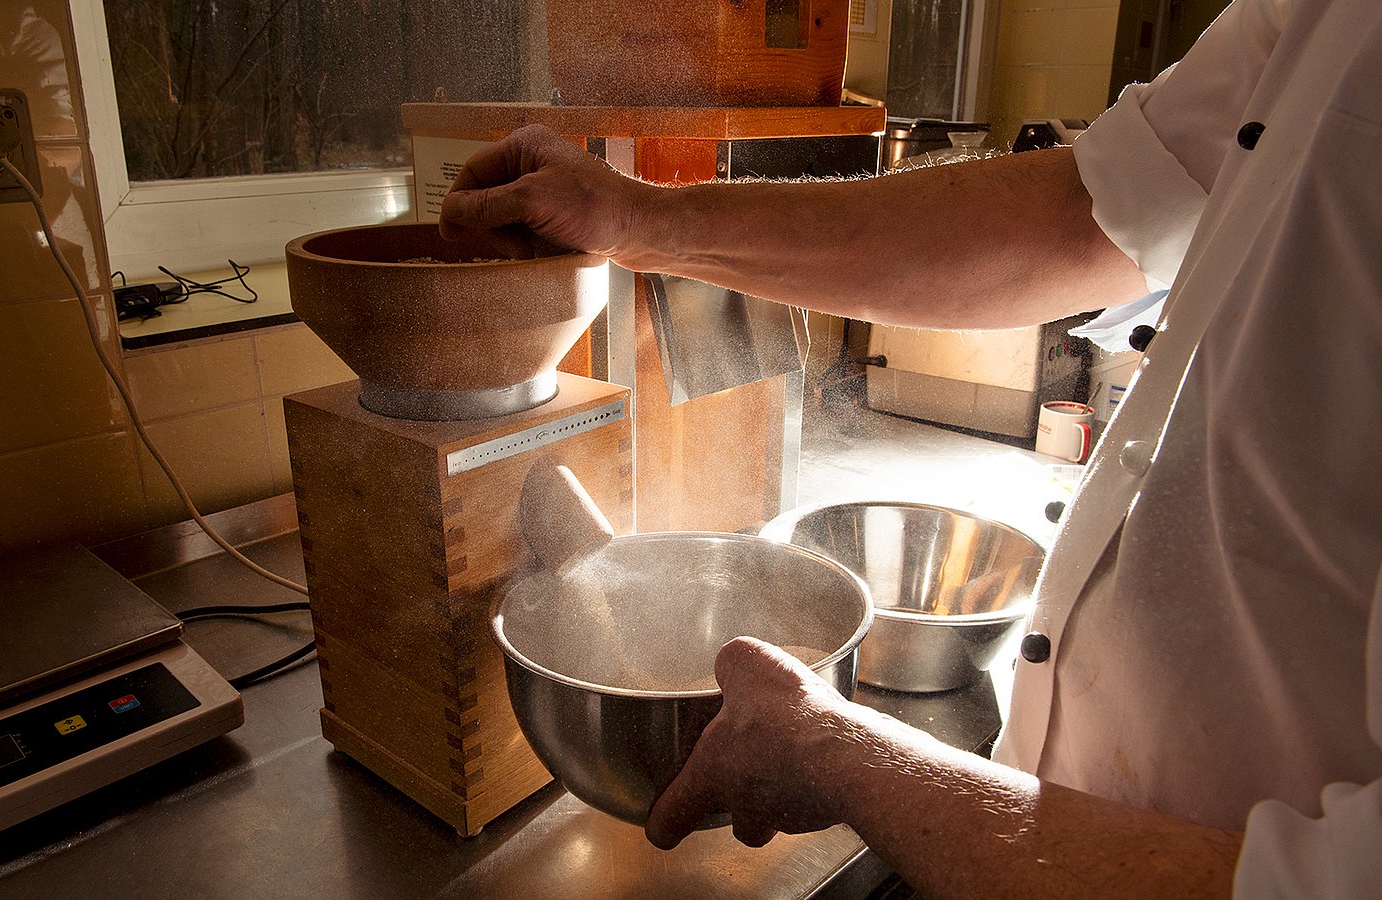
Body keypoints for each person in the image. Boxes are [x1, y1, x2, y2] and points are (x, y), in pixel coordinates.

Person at [440, 0, 1382, 894]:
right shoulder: (1311, 20)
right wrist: (641, 220)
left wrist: (836, 755)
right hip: (1057, 824)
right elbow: (1075, 218)